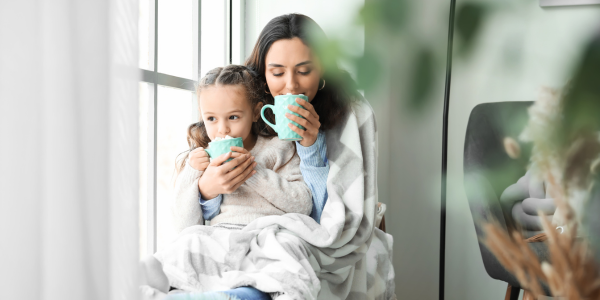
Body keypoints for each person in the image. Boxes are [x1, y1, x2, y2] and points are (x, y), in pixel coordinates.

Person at [140, 64, 312, 300]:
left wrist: (253, 171)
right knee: (191, 242)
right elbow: (184, 225)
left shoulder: (279, 147)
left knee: (289, 256)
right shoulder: (203, 158)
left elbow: (302, 204)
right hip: (220, 236)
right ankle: (151, 282)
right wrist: (194, 177)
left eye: (233, 117)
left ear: (255, 112)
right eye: (211, 118)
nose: (222, 129)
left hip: (267, 235)